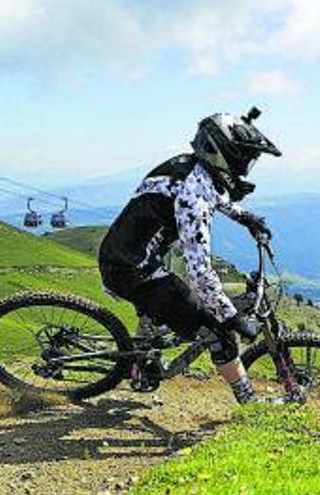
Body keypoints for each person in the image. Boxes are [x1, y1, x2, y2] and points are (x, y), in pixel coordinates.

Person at [98, 107, 281, 404]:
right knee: (216, 330)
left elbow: (212, 194)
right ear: (222, 153)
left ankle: (139, 359)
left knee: (171, 309)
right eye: (244, 159)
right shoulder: (192, 197)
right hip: (133, 269)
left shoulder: (189, 167)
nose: (245, 167)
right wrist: (231, 317)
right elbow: (200, 273)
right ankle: (250, 402)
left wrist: (246, 217)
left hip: (130, 256)